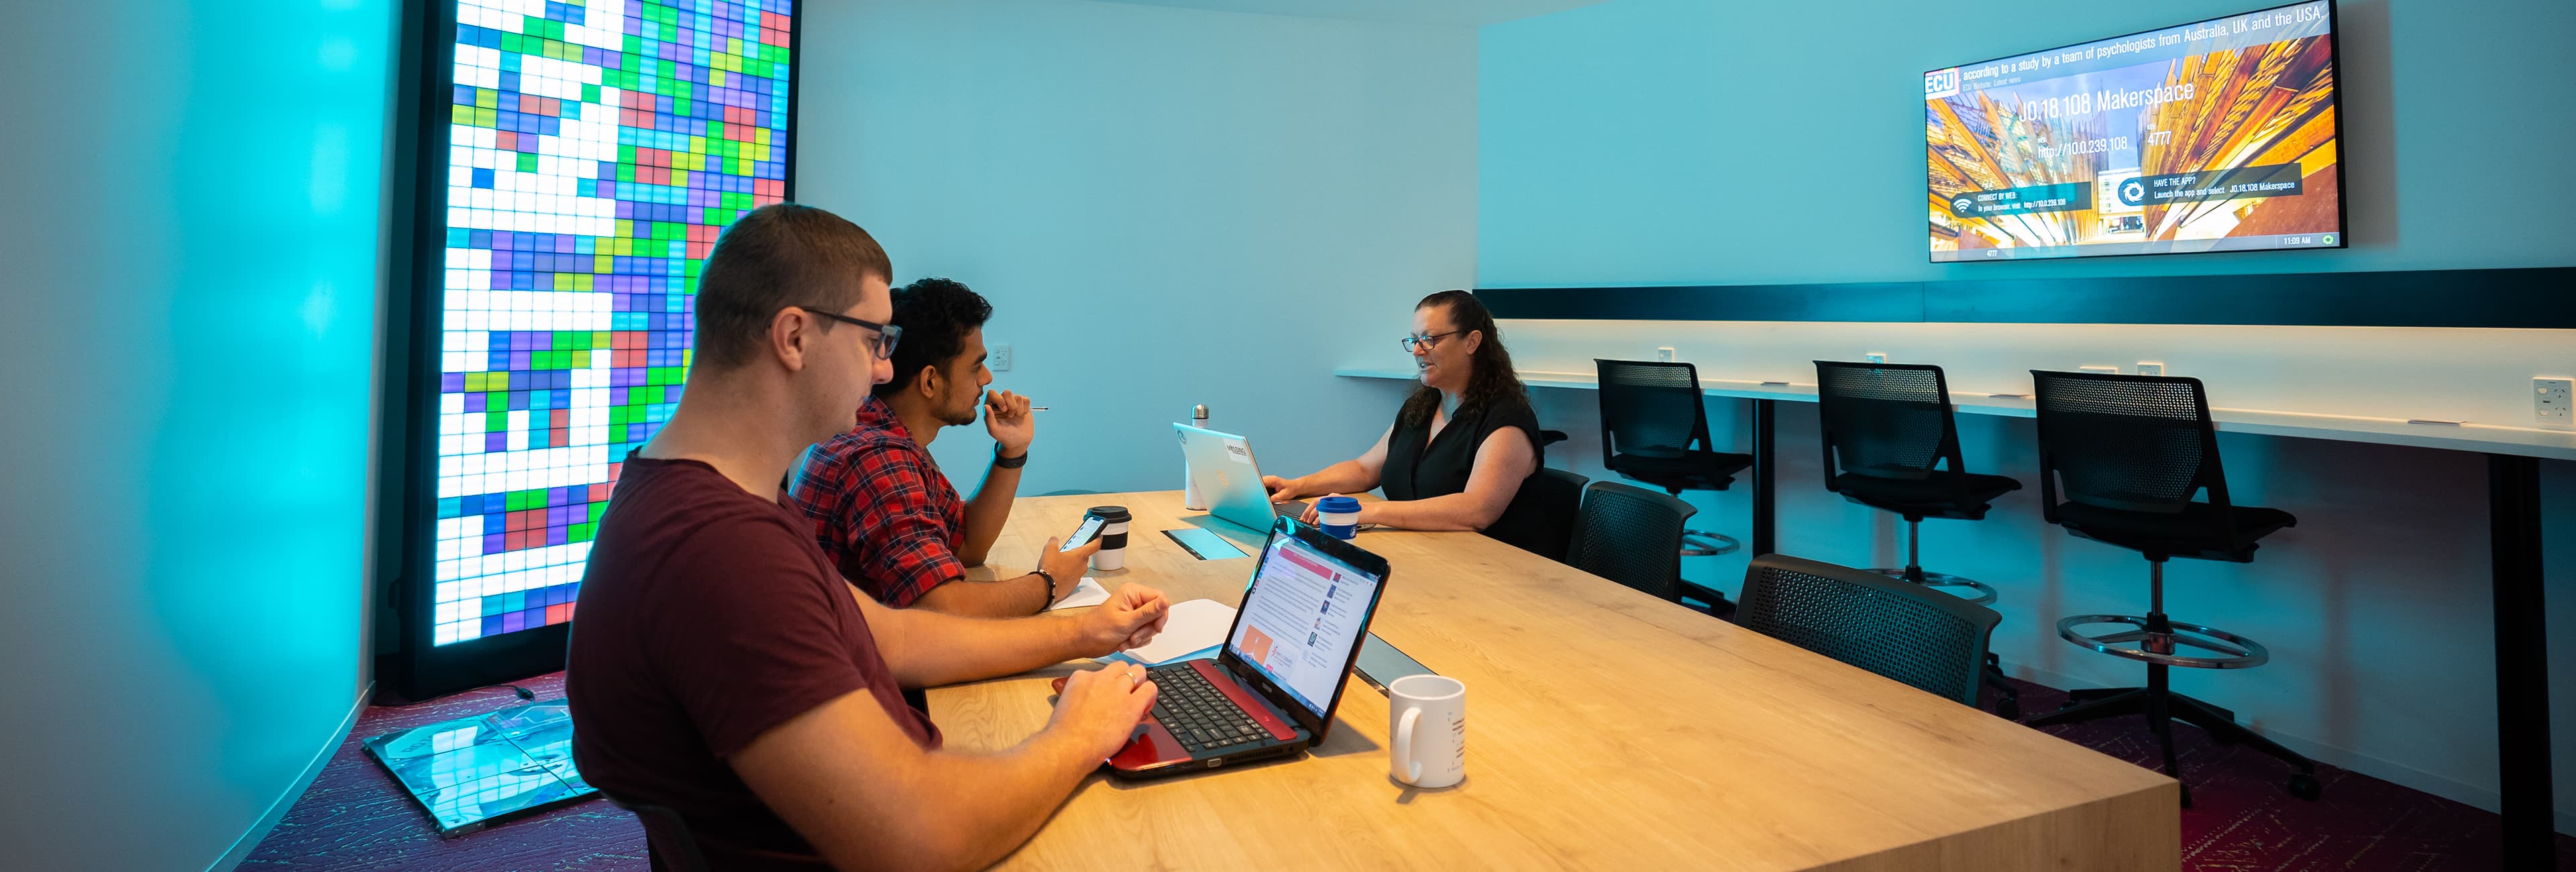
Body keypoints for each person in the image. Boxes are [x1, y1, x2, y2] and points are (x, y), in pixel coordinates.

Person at [566, 204, 1169, 871]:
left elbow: (895, 636)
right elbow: (921, 832)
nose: (885, 370)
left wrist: (1085, 634)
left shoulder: (719, 497)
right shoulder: (724, 555)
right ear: (793, 337)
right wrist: (1077, 737)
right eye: (872, 340)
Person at [790, 277, 1078, 618]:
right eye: (976, 365)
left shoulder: (889, 431)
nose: (987, 378)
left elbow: (967, 545)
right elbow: (941, 608)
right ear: (929, 381)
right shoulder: (877, 458)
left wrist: (1011, 451)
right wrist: (1049, 583)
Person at [1263, 290, 1550, 553]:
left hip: (1490, 568)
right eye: (1414, 340)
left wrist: (1368, 512)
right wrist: (1297, 485)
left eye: (1430, 339)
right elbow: (1365, 469)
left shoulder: (1507, 421)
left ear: (1472, 342)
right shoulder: (1423, 405)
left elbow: (1477, 510)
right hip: (1425, 553)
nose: (1417, 351)